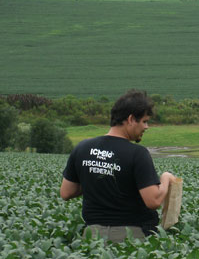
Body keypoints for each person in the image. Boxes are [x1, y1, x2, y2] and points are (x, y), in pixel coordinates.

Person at [60, 90, 176, 242]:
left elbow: (66, 192)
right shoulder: (137, 153)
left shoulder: (82, 148)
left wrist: (97, 177)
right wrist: (166, 179)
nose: (146, 127)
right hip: (130, 237)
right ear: (130, 119)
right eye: (144, 121)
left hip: (92, 237)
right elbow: (153, 201)